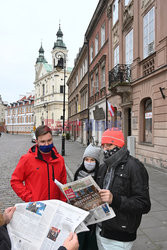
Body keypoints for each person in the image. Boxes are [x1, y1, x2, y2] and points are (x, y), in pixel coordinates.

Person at [96, 127, 151, 250]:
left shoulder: (135, 167)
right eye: (103, 145)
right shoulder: (104, 167)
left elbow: (144, 204)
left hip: (120, 237)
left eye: (109, 145)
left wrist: (115, 199)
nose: (105, 149)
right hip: (101, 230)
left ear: (118, 145)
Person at [10, 125, 67, 202]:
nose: (47, 144)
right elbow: (15, 181)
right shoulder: (26, 159)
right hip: (36, 207)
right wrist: (29, 198)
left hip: (55, 206)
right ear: (36, 141)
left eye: (49, 140)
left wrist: (63, 203)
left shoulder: (60, 160)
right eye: (43, 141)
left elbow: (63, 184)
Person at [74, 143, 101, 250]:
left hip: (93, 220)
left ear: (97, 162)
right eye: (87, 159)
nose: (89, 162)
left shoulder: (100, 175)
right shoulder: (78, 173)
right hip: (80, 219)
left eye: (92, 160)